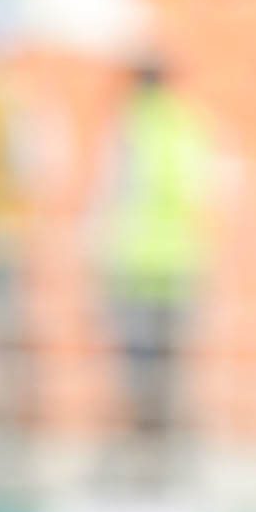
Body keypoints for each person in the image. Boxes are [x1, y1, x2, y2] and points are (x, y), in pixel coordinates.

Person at [93, 55, 215, 485]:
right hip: (180, 265)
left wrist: (98, 258)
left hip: (135, 266)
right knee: (171, 371)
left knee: (136, 371)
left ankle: (138, 458)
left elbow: (111, 193)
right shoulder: (187, 124)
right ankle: (171, 462)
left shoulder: (130, 126)